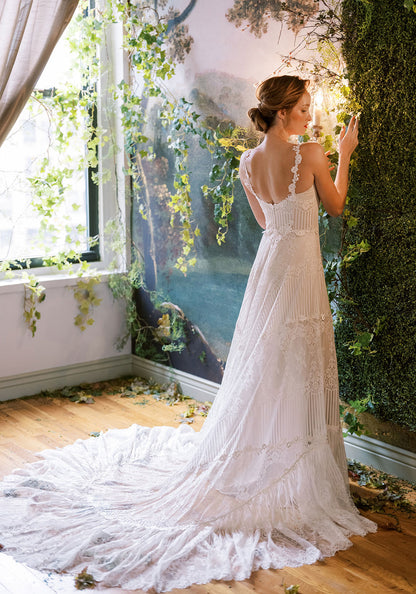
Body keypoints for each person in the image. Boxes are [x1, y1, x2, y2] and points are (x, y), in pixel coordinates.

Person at [0, 75, 376, 593]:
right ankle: (296, 459)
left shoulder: (247, 163)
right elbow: (334, 208)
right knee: (296, 357)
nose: (311, 116)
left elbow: (268, 223)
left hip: (273, 267)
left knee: (267, 360)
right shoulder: (311, 153)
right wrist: (346, 151)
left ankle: (280, 451)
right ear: (284, 112)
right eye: (306, 107)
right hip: (300, 270)